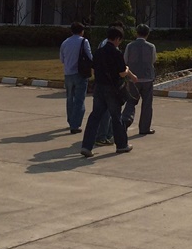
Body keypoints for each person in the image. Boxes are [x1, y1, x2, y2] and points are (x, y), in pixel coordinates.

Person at [80, 27, 138, 158]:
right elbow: (122, 72)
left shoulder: (99, 52)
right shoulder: (116, 53)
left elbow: (94, 69)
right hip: (112, 89)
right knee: (116, 117)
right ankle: (122, 145)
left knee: (95, 116)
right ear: (117, 39)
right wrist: (128, 69)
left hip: (99, 87)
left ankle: (86, 146)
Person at [121, 24, 157, 135]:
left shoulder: (130, 46)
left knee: (131, 102)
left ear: (136, 33)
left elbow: (125, 60)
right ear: (147, 34)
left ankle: (124, 122)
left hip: (133, 79)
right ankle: (144, 128)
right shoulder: (151, 47)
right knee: (147, 104)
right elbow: (153, 60)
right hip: (147, 78)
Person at [59, 22, 92, 134]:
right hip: (80, 73)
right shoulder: (84, 41)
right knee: (79, 99)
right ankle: (75, 124)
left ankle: (70, 120)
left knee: (70, 99)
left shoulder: (65, 42)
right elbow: (89, 56)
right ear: (82, 31)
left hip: (68, 74)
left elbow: (62, 59)